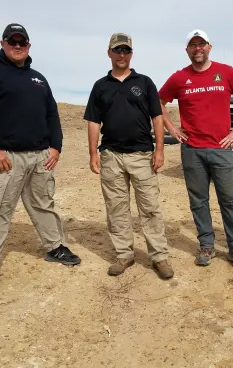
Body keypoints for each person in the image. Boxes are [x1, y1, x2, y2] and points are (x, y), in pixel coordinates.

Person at [0, 23, 81, 296]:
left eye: (22, 42)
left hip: (41, 156)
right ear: (3, 43)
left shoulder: (38, 78)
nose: (17, 46)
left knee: (43, 204)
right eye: (12, 41)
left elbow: (52, 114)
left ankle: (55, 247)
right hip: (7, 158)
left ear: (29, 45)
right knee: (1, 211)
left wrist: (56, 147)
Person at [158, 30, 233, 273]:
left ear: (209, 47)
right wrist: (172, 129)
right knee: (198, 201)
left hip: (221, 148)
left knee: (229, 201)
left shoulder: (226, 72)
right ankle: (206, 245)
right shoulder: (180, 78)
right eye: (193, 45)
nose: (197, 48)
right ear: (187, 50)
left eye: (201, 44)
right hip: (192, 150)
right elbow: (158, 103)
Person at [83, 33, 174, 280]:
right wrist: (93, 152)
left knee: (150, 207)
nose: (121, 54)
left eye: (126, 50)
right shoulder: (100, 86)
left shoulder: (144, 82)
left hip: (142, 155)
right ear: (109, 53)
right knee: (116, 207)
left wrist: (160, 149)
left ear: (131, 53)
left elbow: (157, 116)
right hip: (111, 156)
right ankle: (124, 254)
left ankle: (159, 256)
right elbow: (93, 120)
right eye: (117, 50)